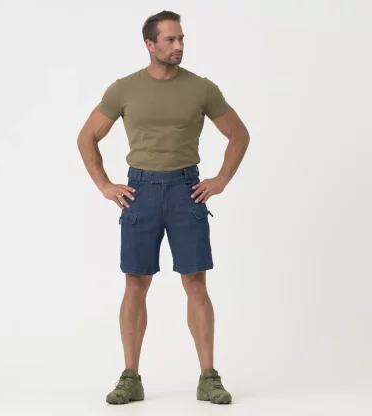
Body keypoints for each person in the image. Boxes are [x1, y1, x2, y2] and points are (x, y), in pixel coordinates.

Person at [77, 10, 250, 405]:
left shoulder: (202, 88)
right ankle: (130, 377)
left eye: (181, 38)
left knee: (195, 282)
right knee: (135, 283)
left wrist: (220, 180)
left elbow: (239, 135)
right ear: (150, 44)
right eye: (170, 40)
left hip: (187, 189)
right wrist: (105, 185)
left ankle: (208, 377)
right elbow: (87, 137)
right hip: (140, 191)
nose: (178, 46)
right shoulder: (123, 89)